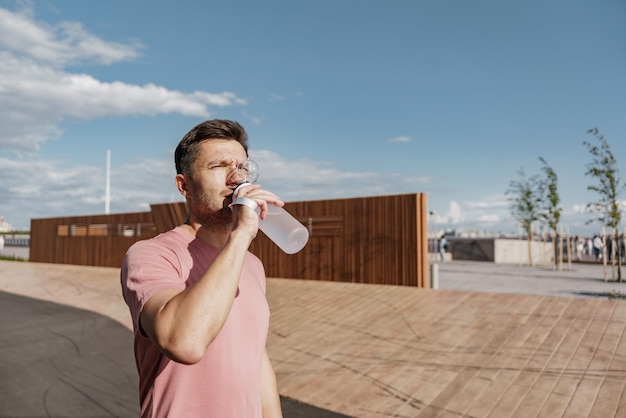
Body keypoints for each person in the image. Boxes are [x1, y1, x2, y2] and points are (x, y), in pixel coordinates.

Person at [121, 119, 283, 417]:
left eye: (242, 168)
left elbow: (256, 358)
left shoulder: (251, 263)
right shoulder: (151, 254)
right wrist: (241, 236)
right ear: (185, 186)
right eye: (219, 166)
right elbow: (185, 343)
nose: (236, 179)